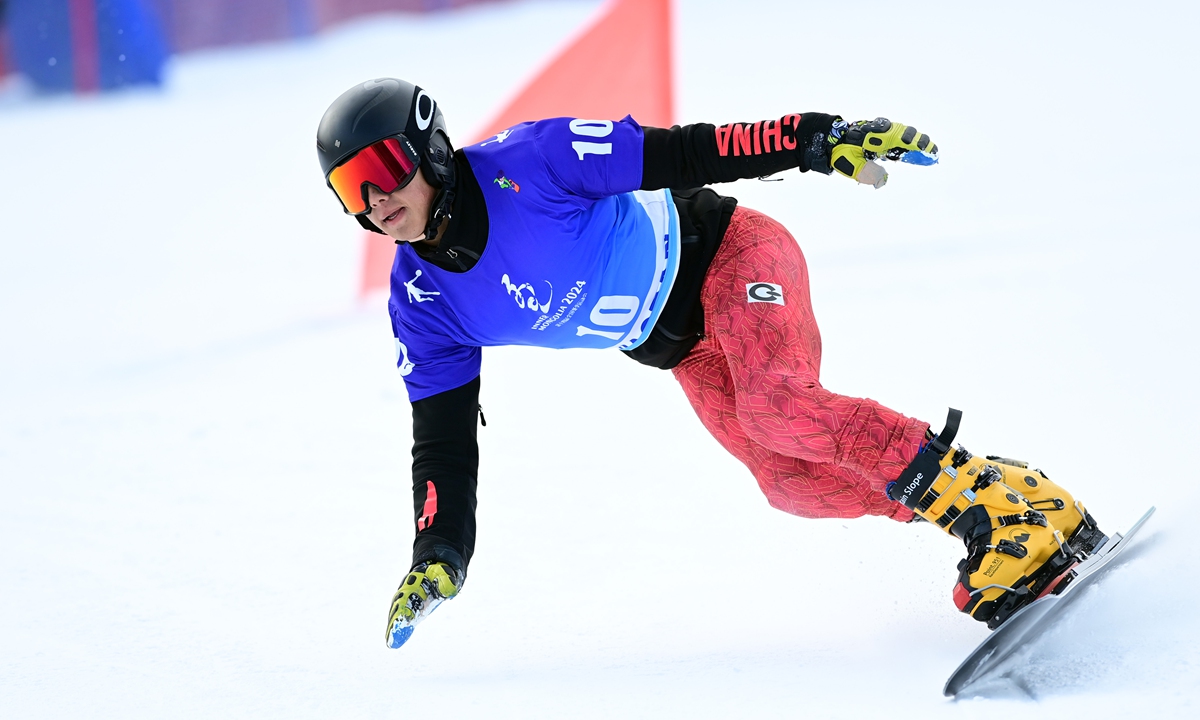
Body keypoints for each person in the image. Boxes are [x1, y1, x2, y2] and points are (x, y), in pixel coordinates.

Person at [315, 78, 1106, 649]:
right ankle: (1004, 502)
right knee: (788, 483)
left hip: (732, 252)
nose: (375, 200)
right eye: (350, 189)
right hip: (683, 348)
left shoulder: (537, 159)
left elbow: (687, 150)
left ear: (431, 149)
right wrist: (439, 555)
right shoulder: (422, 298)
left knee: (778, 405)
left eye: (383, 169)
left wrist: (816, 136)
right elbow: (443, 442)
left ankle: (992, 507)